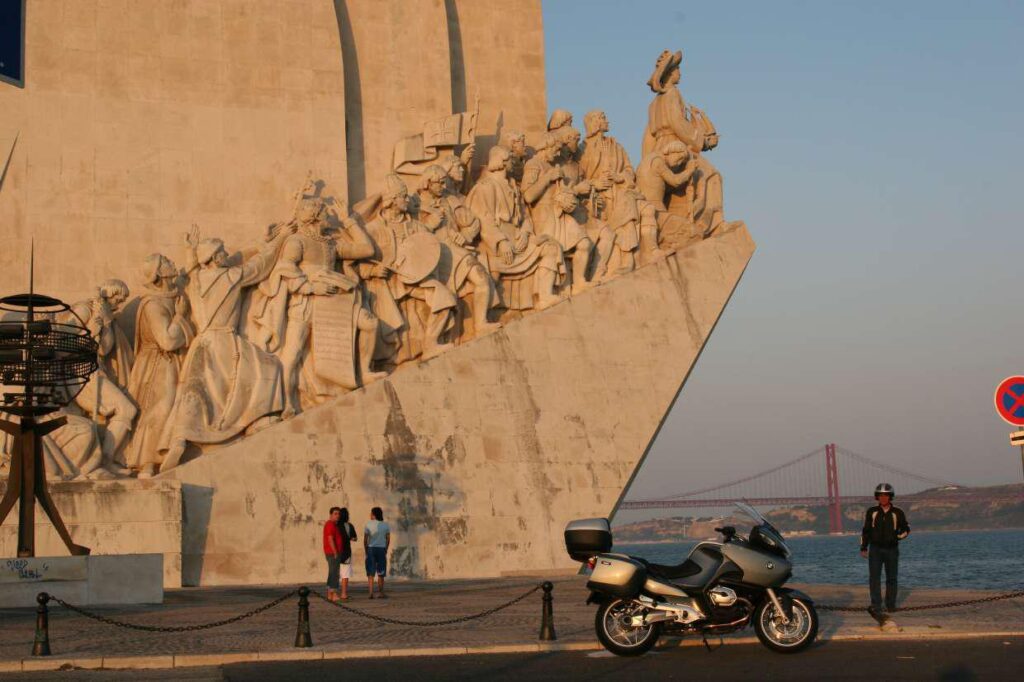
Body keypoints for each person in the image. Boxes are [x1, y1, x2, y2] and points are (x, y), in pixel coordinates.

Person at [860, 483, 910, 616]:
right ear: (877, 497)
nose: (883, 498)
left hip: (892, 549)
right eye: (881, 495)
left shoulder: (898, 512)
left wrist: (896, 537)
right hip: (875, 549)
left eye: (886, 495)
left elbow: (906, 529)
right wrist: (864, 547)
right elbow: (866, 531)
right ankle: (876, 604)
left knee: (892, 578)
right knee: (874, 578)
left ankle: (890, 605)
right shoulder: (872, 512)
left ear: (890, 497)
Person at [364, 506, 391, 599]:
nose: (370, 515)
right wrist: (386, 548)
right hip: (381, 549)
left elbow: (365, 539)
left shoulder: (368, 524)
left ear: (374, 514)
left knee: (370, 572)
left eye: (371, 513)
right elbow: (388, 539)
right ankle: (381, 592)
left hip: (371, 549)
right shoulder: (385, 525)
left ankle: (370, 593)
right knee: (381, 571)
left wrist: (366, 550)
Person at [336, 507, 358, 600]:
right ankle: (344, 594)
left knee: (335, 573)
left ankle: (332, 594)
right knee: (345, 574)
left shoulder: (335, 525)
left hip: (336, 551)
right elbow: (355, 538)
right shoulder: (349, 526)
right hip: (346, 552)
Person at [323, 507, 344, 602]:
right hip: (332, 553)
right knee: (334, 574)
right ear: (331, 515)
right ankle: (334, 594)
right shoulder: (330, 524)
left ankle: (329, 594)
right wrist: (335, 552)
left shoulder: (334, 525)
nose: (338, 516)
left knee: (332, 573)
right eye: (335, 513)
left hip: (334, 552)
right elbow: (330, 538)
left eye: (338, 514)